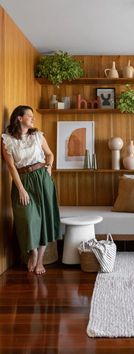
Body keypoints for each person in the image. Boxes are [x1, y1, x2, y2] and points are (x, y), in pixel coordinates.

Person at [1, 105, 60, 275]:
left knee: (44, 220)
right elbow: (11, 167)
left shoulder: (37, 136)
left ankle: (40, 259)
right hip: (23, 181)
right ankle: (32, 253)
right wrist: (21, 189)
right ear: (19, 118)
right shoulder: (7, 140)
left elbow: (50, 154)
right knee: (27, 219)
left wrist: (48, 168)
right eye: (29, 116)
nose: (33, 119)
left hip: (42, 178)